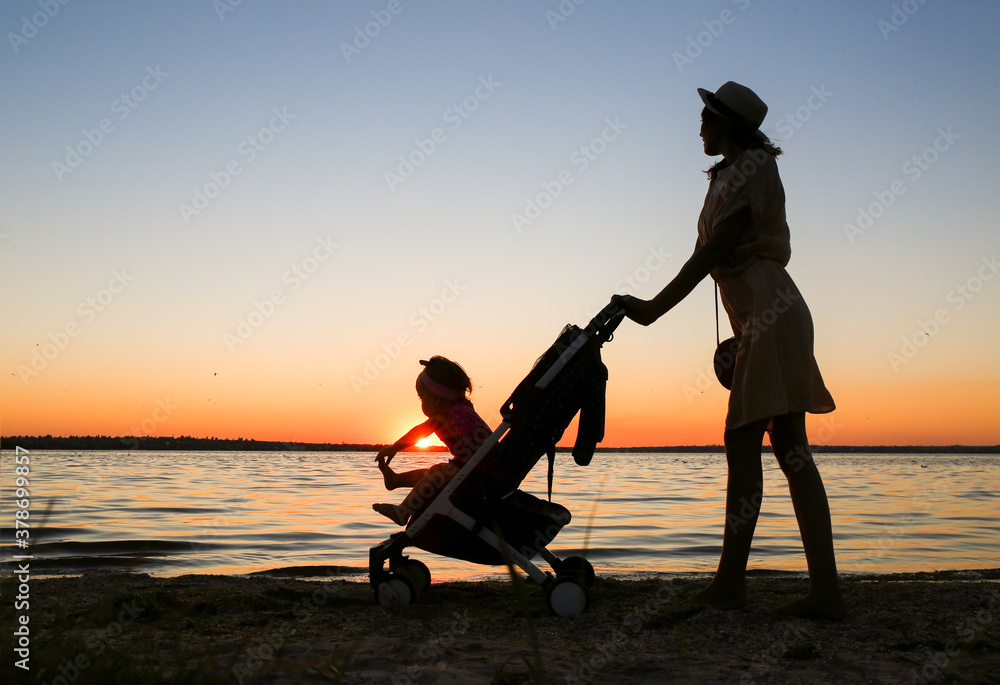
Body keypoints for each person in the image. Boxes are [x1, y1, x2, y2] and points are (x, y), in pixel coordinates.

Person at [612, 81, 845, 620]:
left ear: (727, 124)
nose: (699, 126)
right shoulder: (727, 175)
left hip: (771, 308)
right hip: (761, 312)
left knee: (747, 445)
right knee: (788, 451)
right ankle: (817, 591)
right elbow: (709, 252)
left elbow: (714, 252)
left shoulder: (751, 169)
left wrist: (651, 308)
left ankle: (732, 585)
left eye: (706, 117)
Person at [372, 356, 492, 526]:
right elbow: (420, 431)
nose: (421, 402)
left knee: (439, 473)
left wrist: (394, 448)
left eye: (421, 398)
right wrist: (395, 448)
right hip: (472, 471)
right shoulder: (455, 411)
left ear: (436, 399)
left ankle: (403, 512)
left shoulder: (458, 414)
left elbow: (480, 445)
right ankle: (396, 481)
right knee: (434, 475)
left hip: (479, 476)